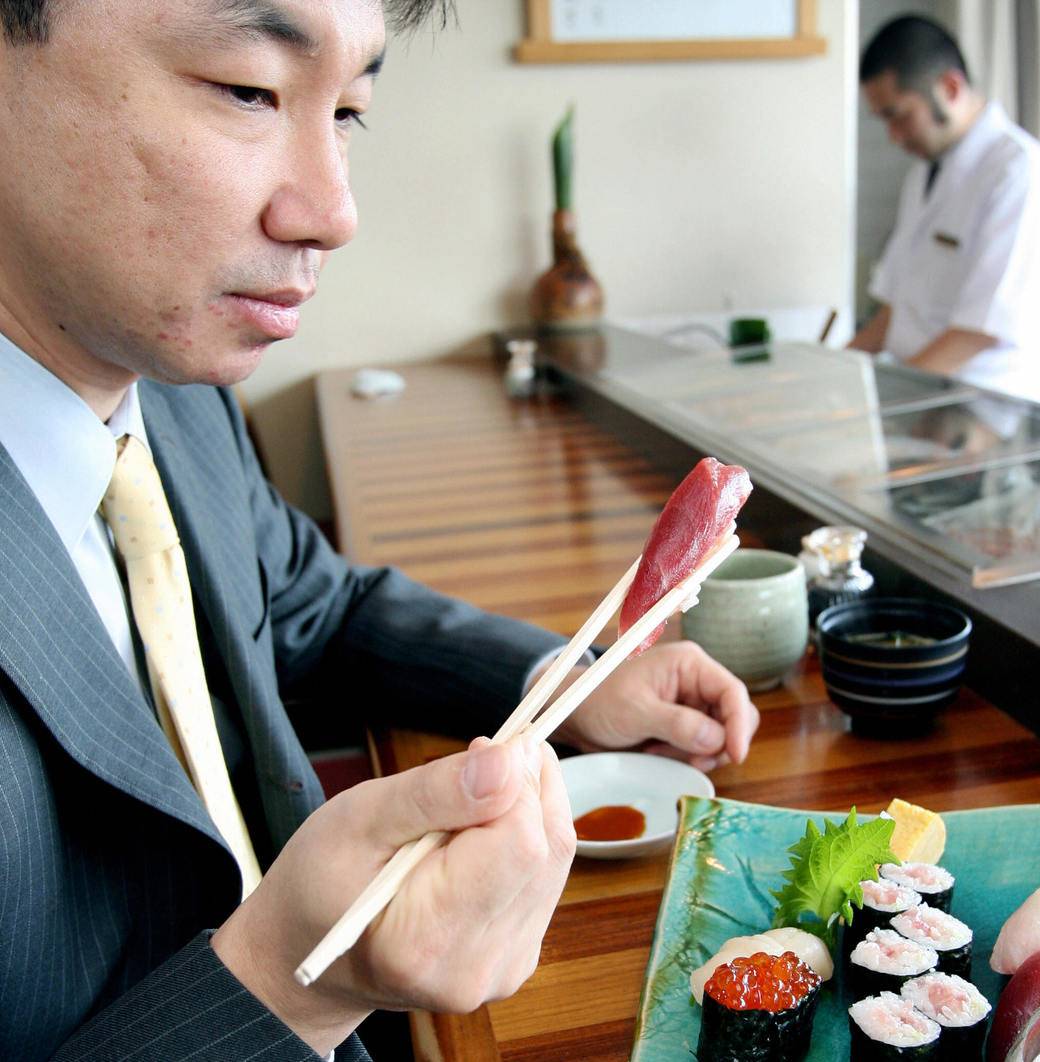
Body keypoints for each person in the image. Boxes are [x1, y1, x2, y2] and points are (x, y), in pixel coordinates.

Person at [0, 1, 760, 1059]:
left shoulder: (170, 388)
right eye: (249, 89)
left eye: (349, 108)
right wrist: (286, 989)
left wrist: (571, 680)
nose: (334, 212)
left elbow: (310, 603)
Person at [849, 15, 1040, 404]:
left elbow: (980, 330)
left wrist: (885, 401)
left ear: (950, 87)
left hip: (982, 411)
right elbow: (894, 310)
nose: (894, 137)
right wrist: (831, 374)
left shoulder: (1022, 174)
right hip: (920, 406)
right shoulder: (923, 173)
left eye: (899, 116)